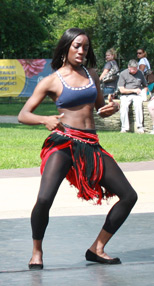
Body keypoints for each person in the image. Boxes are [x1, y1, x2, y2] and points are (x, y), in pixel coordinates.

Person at [18, 28, 137, 270]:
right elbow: (23, 114)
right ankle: (37, 251)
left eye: (85, 47)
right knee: (44, 199)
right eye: (77, 46)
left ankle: (97, 248)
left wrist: (107, 109)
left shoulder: (92, 74)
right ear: (66, 47)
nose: (82, 50)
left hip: (91, 145)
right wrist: (44, 120)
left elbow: (99, 107)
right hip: (63, 143)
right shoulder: (51, 80)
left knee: (129, 196)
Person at [117, 59, 148, 133]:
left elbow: (145, 86)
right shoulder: (123, 74)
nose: (135, 71)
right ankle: (124, 127)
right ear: (129, 67)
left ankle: (140, 127)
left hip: (137, 95)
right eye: (133, 69)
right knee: (124, 106)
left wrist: (144, 92)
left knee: (138, 105)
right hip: (126, 95)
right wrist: (133, 90)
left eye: (136, 69)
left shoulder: (140, 73)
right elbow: (121, 89)